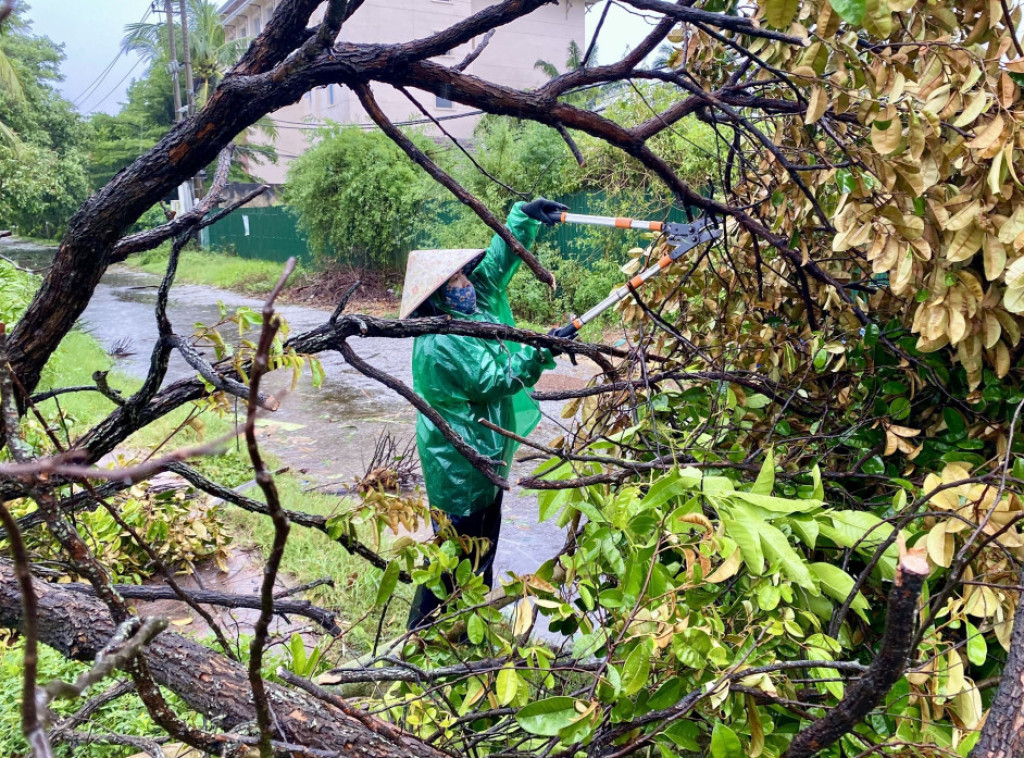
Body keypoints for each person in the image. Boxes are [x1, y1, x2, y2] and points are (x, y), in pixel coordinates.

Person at [401, 197, 568, 631]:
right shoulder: (441, 341)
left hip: (486, 458)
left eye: (463, 275)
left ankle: (467, 629)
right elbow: (497, 378)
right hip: (458, 468)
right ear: (437, 298)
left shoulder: (472, 309)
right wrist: (543, 349)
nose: (466, 283)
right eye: (456, 280)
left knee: (483, 550)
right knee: (453, 556)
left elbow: (495, 265)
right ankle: (421, 635)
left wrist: (522, 218)